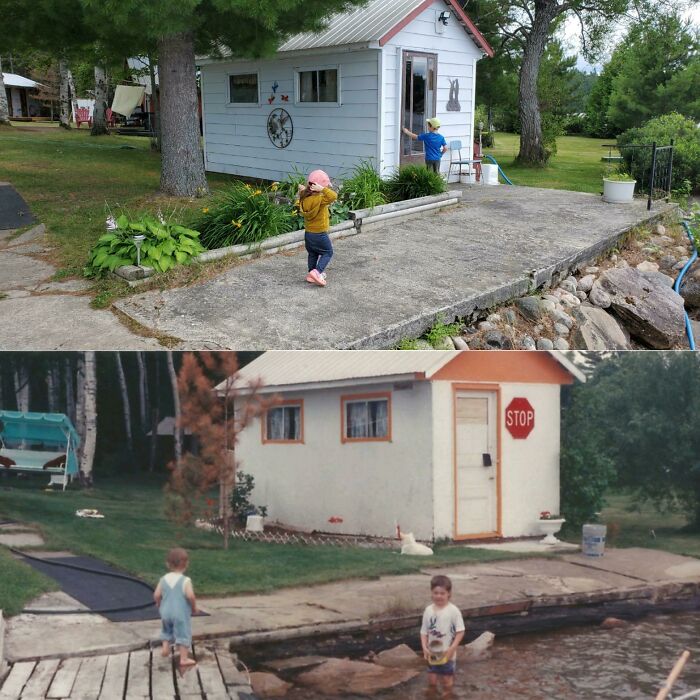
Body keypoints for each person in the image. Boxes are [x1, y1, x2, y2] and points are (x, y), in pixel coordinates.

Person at [420, 574, 466, 695]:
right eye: (436, 593)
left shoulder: (453, 611)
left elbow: (460, 632)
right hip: (433, 652)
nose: (438, 596)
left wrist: (452, 648)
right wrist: (424, 648)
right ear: (431, 592)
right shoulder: (428, 610)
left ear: (449, 594)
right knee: (432, 681)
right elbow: (424, 632)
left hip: (447, 652)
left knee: (447, 682)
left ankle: (448, 695)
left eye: (442, 593)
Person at [154, 547, 198, 671]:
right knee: (183, 633)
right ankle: (184, 659)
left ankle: (165, 647)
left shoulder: (163, 579)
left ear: (167, 564)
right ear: (186, 564)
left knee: (166, 629)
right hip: (180, 613)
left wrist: (158, 603)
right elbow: (190, 596)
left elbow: (157, 594)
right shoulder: (185, 580)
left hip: (165, 611)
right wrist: (194, 607)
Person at [298, 169, 338, 287]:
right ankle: (317, 272)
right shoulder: (320, 199)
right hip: (319, 233)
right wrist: (322, 189)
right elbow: (333, 196)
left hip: (309, 233)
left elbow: (301, 196)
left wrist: (303, 190)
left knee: (313, 253)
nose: (326, 189)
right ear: (318, 186)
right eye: (325, 186)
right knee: (328, 252)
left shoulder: (304, 197)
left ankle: (311, 274)